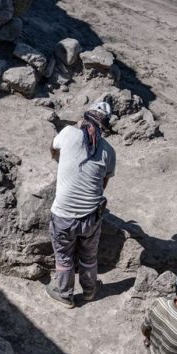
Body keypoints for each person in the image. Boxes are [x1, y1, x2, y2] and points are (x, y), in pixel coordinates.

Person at [45, 100, 116, 308]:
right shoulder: (108, 151)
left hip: (63, 216)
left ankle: (64, 293)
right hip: (91, 218)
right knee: (88, 256)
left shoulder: (68, 133)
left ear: (84, 119)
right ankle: (89, 290)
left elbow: (53, 147)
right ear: (104, 127)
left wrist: (60, 160)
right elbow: (103, 184)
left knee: (64, 257)